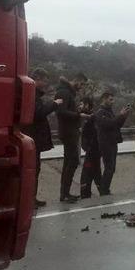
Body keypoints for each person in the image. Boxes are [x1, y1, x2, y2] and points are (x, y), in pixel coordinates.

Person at [23, 68, 62, 207]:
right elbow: (38, 113)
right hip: (33, 138)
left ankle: (31, 198)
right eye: (44, 80)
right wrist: (54, 104)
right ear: (37, 79)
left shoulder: (32, 94)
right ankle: (29, 200)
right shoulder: (32, 94)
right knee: (32, 170)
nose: (46, 83)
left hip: (32, 138)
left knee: (35, 169)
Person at [55, 72, 89, 203]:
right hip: (68, 132)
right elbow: (61, 112)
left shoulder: (68, 92)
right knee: (73, 161)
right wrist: (79, 115)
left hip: (70, 131)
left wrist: (78, 112)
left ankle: (64, 193)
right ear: (77, 80)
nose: (82, 87)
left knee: (68, 162)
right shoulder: (64, 92)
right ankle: (65, 193)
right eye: (82, 84)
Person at [94, 92, 131, 196]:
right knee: (109, 167)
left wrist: (123, 117)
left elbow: (116, 125)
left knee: (111, 168)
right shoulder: (100, 113)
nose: (112, 102)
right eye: (110, 99)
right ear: (104, 99)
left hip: (112, 142)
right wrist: (120, 115)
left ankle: (105, 188)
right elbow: (108, 124)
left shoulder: (109, 112)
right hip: (105, 143)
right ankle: (104, 190)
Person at [78, 97, 102, 199]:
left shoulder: (91, 118)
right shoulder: (87, 118)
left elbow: (90, 134)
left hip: (92, 150)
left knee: (87, 171)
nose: (80, 106)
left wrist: (87, 147)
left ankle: (85, 193)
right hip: (93, 150)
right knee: (96, 171)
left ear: (87, 105)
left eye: (81, 104)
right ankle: (103, 190)